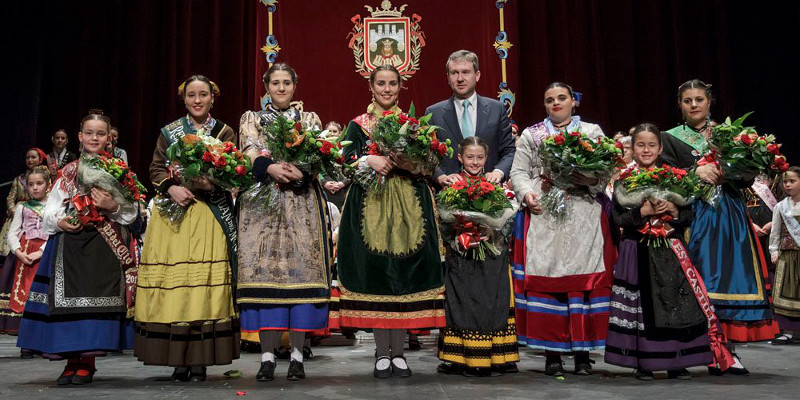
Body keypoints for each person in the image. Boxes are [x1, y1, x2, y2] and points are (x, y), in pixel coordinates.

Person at [336, 65, 445, 378]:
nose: (386, 89)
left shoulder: (413, 125)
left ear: (401, 87)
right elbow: (344, 163)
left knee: (403, 276)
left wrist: (413, 161)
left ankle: (399, 353)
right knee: (378, 275)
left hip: (409, 205)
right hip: (370, 205)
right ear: (371, 86)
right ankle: (380, 352)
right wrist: (368, 159)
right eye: (381, 83)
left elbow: (429, 163)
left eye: (392, 84)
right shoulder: (357, 125)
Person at [660, 80, 776, 372]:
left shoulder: (731, 135)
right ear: (680, 105)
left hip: (729, 216)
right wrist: (695, 171)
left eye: (699, 99)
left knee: (728, 279)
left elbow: (748, 176)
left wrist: (730, 172)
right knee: (696, 281)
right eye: (687, 101)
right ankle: (694, 350)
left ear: (710, 102)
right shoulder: (669, 138)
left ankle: (726, 350)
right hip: (693, 217)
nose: (694, 105)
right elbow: (664, 177)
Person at [16, 111, 138, 385]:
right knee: (66, 303)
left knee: (94, 303)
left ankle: (87, 362)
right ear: (80, 136)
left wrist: (112, 206)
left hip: (103, 245)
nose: (95, 138)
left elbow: (131, 214)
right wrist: (59, 220)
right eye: (89, 133)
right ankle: (71, 361)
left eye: (101, 133)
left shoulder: (120, 172)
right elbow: (50, 212)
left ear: (109, 138)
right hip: (68, 244)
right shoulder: (66, 173)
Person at [134, 75, 240, 382]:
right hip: (176, 215)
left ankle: (200, 361)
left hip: (209, 214)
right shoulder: (169, 132)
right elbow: (155, 167)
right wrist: (171, 188)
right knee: (177, 288)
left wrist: (213, 182)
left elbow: (232, 168)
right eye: (191, 95)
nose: (197, 100)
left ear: (212, 98)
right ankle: (177, 360)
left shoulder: (224, 131)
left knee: (204, 288)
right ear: (184, 99)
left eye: (203, 95)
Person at [509, 82, 615, 376]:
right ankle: (551, 353)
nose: (556, 103)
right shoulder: (533, 135)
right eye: (549, 100)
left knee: (581, 283)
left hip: (583, 214)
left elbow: (606, 169)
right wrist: (527, 193)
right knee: (549, 280)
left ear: (573, 102)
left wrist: (588, 180)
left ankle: (582, 354)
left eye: (561, 98)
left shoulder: (592, 132)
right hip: (545, 214)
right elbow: (518, 172)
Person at [237, 63, 331, 382]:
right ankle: (266, 358)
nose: (280, 88)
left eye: (286, 82)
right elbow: (249, 149)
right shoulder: (252, 118)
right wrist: (270, 168)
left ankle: (296, 357)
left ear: (294, 86)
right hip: (263, 206)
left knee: (299, 280)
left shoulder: (309, 119)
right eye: (275, 82)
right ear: (266, 86)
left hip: (302, 205)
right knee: (267, 282)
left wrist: (301, 172)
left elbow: (319, 153)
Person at [605, 124, 714, 380]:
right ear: (632, 148)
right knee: (642, 305)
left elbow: (688, 215)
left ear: (660, 148)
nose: (646, 150)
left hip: (671, 249)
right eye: (640, 145)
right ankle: (644, 361)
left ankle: (677, 361)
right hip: (638, 249)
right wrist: (641, 213)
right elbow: (618, 219)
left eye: (651, 145)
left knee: (675, 302)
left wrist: (674, 211)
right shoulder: (623, 180)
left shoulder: (675, 178)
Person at [436, 137, 519, 377]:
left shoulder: (496, 186)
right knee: (461, 301)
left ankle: (497, 356)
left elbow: (507, 221)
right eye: (469, 157)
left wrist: (488, 230)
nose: (474, 162)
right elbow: (443, 221)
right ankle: (459, 358)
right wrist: (461, 231)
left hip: (490, 253)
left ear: (486, 158)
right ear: (460, 158)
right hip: (462, 253)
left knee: (492, 301)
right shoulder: (451, 187)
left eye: (479, 157)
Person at [426, 50, 515, 186]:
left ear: (477, 75)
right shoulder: (433, 113)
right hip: (448, 195)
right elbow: (426, 155)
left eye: (466, 72)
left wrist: (498, 172)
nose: (460, 78)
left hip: (490, 193)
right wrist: (440, 176)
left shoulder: (496, 109)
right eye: (454, 73)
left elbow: (509, 151)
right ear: (448, 77)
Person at [0, 166, 50, 346]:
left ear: (47, 184)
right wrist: (19, 252)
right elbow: (12, 233)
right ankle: (26, 341)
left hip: (44, 254)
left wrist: (41, 251)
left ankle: (41, 337)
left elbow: (53, 233)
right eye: (31, 184)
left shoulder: (53, 207)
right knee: (23, 293)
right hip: (24, 254)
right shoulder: (22, 207)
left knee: (40, 293)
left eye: (39, 183)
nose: (35, 188)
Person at [769, 166, 800, 345]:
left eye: (792, 181)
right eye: (785, 182)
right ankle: (787, 330)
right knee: (786, 291)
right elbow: (776, 231)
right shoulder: (781, 206)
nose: (787, 185)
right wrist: (773, 250)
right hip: (787, 254)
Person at [1, 149, 48, 255]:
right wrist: (15, 212)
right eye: (28, 157)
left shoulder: (46, 177)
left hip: (40, 213)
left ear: (40, 159)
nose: (30, 160)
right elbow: (10, 198)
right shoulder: (19, 179)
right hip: (21, 211)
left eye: (33, 157)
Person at [321, 121, 350, 210]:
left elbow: (352, 171)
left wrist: (342, 183)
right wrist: (324, 183)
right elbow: (315, 170)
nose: (332, 134)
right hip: (324, 192)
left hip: (342, 192)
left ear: (340, 133)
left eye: (334, 131)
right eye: (329, 131)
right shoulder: (319, 150)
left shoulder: (346, 150)